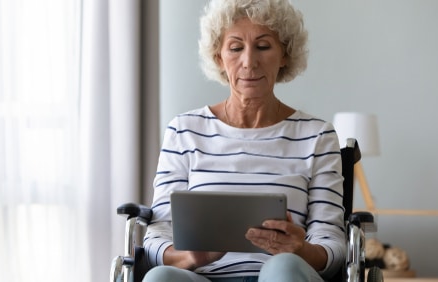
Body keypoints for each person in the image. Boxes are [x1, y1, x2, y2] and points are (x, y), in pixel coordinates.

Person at [143, 0, 346, 281]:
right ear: (219, 58)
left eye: (263, 46)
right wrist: (191, 256)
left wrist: (301, 250)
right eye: (236, 48)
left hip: (285, 275)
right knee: (158, 278)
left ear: (285, 54)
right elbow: (157, 235)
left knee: (283, 268)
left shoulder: (317, 136)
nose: (249, 62)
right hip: (204, 276)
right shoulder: (184, 131)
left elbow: (333, 246)